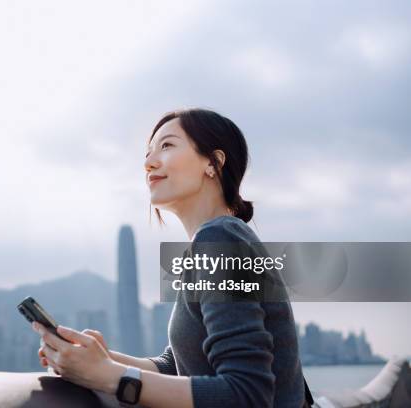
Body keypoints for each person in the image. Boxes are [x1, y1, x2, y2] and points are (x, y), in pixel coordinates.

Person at [32, 108, 312, 407]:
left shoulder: (219, 239)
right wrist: (101, 359)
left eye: (166, 146)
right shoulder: (218, 240)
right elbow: (177, 364)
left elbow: (247, 393)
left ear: (213, 163)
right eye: (148, 152)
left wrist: (109, 376)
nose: (148, 163)